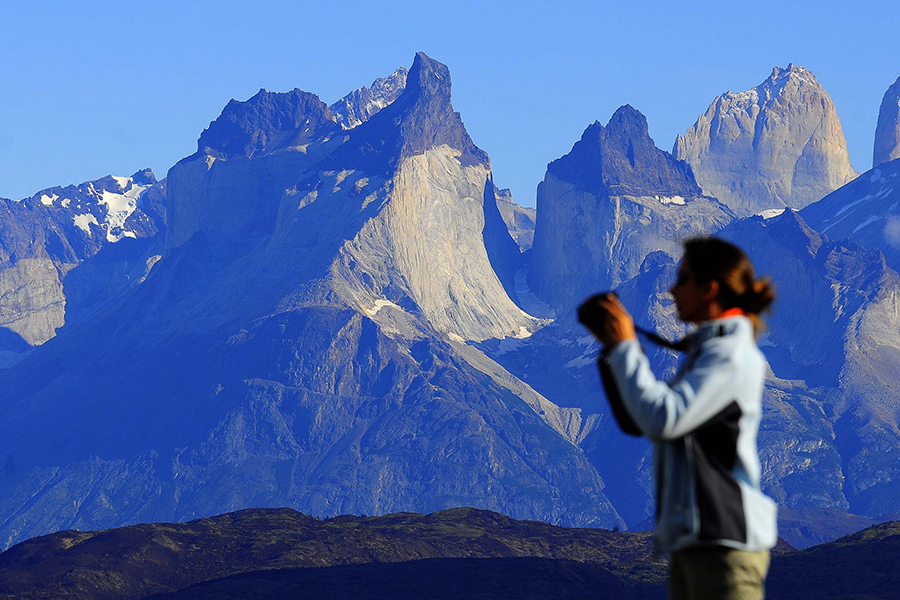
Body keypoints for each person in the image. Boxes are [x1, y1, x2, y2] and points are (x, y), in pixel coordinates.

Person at [579, 237, 777, 600]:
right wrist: (614, 349)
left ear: (709, 289)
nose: (671, 289)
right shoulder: (711, 351)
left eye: (682, 279)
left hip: (724, 543)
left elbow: (664, 419)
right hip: (702, 542)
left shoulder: (729, 355)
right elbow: (643, 422)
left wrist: (625, 348)